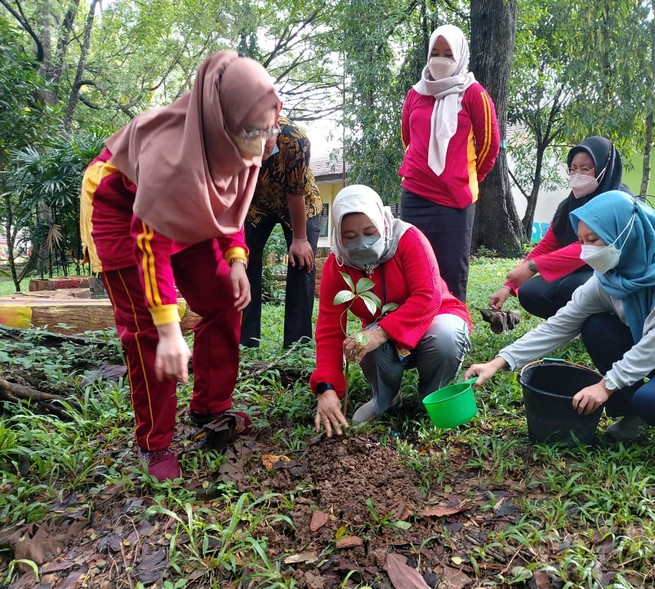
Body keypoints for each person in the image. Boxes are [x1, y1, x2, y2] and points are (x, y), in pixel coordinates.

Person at [79, 50, 282, 481]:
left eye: (271, 126)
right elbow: (150, 244)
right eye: (255, 132)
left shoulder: (241, 137)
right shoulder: (173, 159)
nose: (267, 141)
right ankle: (154, 444)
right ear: (223, 122)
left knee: (227, 295)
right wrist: (172, 331)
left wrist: (236, 259)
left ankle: (211, 406)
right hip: (121, 207)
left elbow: (225, 200)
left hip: (183, 209)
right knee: (149, 335)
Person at [467, 191, 655, 447]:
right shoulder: (608, 278)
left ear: (624, 232)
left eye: (593, 240)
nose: (587, 250)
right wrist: (499, 361)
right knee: (596, 327)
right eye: (582, 241)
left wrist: (606, 385)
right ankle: (633, 413)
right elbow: (560, 324)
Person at [311, 185, 472, 436]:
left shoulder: (409, 238)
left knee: (445, 339)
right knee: (365, 345)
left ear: (382, 223)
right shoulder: (337, 264)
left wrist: (382, 332)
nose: (360, 241)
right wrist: (327, 387)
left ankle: (431, 396)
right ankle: (385, 398)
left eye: (369, 231)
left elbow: (428, 297)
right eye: (349, 236)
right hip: (383, 330)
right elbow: (330, 329)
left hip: (437, 318)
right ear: (338, 236)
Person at [398, 24, 500, 302]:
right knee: (411, 266)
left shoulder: (474, 94)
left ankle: (453, 332)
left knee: (452, 271)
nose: (440, 59)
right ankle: (413, 330)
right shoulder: (415, 93)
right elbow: (408, 137)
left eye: (448, 53)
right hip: (415, 195)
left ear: (460, 57)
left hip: (454, 200)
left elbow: (490, 145)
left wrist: (465, 176)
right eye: (435, 52)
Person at [489, 135, 629, 319]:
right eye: (573, 169)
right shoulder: (569, 205)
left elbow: (591, 248)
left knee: (573, 286)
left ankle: (595, 324)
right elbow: (547, 245)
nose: (578, 175)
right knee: (531, 292)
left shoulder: (620, 202)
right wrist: (509, 286)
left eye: (586, 169)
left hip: (611, 276)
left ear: (604, 167)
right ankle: (570, 324)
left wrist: (533, 266)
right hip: (573, 273)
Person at [240, 115, 322, 349]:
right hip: (256, 204)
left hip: (300, 204)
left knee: (301, 263)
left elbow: (295, 191)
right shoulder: (228, 136)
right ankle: (246, 340)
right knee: (243, 260)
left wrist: (300, 238)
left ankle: (297, 343)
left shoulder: (295, 139)